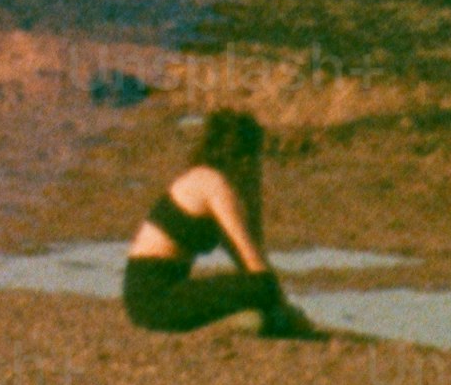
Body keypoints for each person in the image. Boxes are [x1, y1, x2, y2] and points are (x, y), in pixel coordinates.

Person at [119, 107, 319, 337]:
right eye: (254, 157)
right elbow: (256, 269)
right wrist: (281, 304)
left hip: (155, 295)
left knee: (259, 290)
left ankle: (250, 321)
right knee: (263, 288)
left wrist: (252, 197)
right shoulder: (213, 184)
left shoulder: (208, 179)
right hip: (154, 297)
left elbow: (248, 257)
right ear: (243, 155)